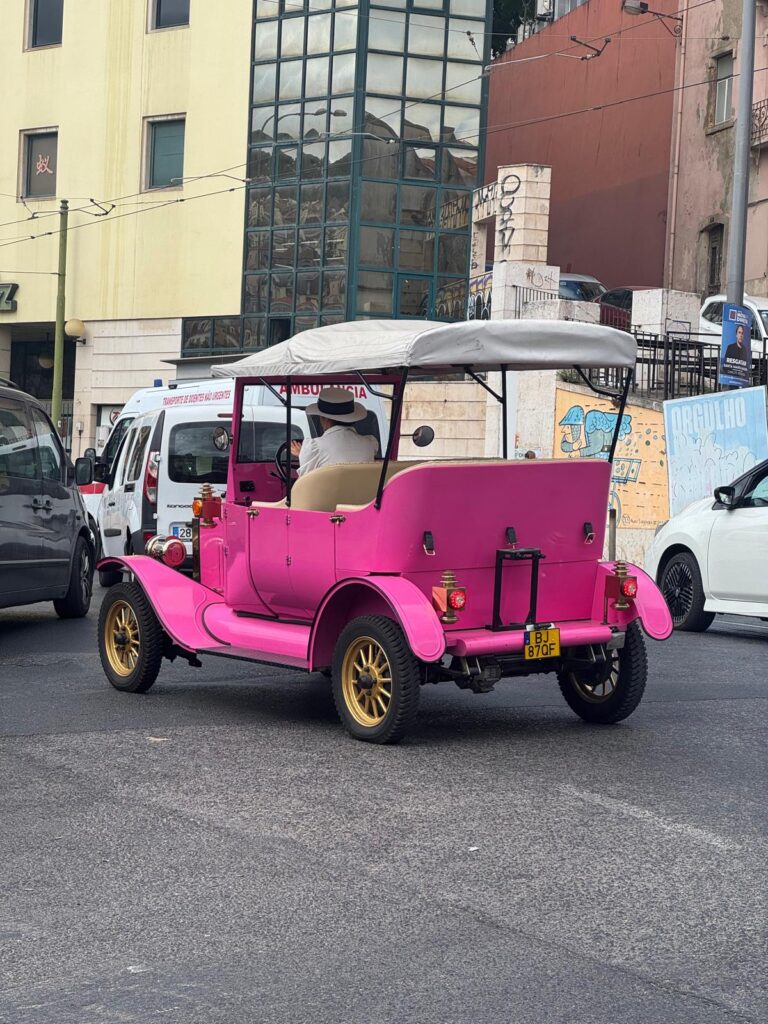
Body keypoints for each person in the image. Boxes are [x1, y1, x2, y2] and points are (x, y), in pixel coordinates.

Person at [291, 387, 378, 476]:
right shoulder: (369, 444)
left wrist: (304, 455)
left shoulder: (316, 447)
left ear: (325, 419)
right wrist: (305, 455)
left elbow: (306, 481)